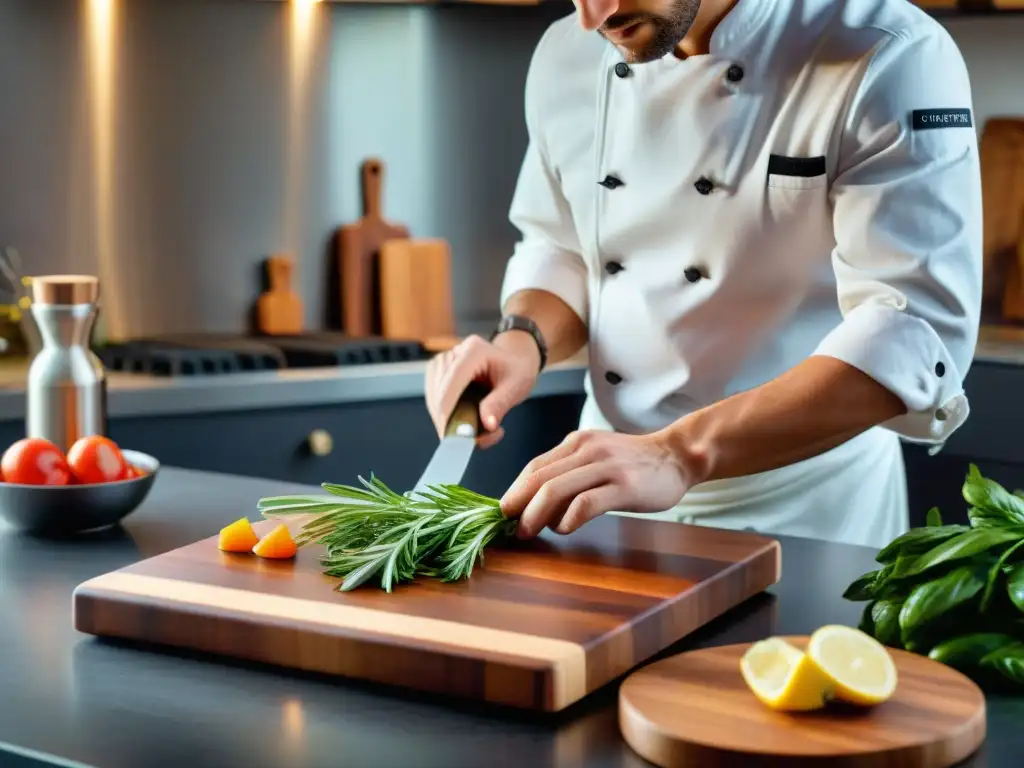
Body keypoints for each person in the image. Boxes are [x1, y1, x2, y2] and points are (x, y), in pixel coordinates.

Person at [424, 0, 982, 549]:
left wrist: (677, 453)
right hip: (605, 492)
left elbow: (910, 329)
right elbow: (563, 243)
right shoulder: (566, 53)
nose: (593, 16)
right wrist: (523, 341)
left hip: (807, 509)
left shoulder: (889, 53)